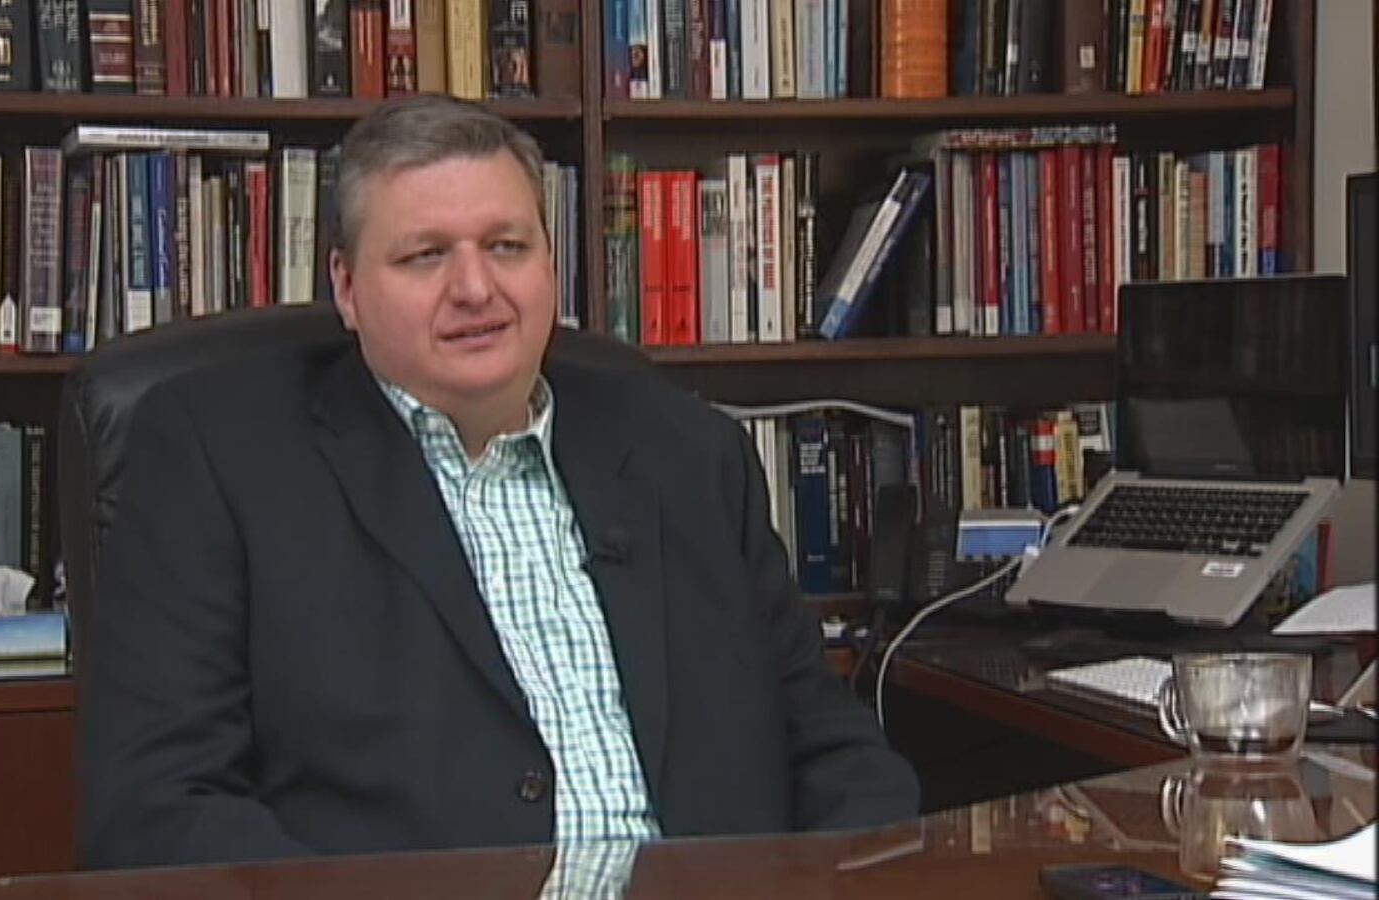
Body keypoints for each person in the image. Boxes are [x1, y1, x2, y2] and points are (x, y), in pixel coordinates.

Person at [77, 95, 918, 870]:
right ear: (347, 287)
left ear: (551, 265)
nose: (475, 289)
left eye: (507, 247)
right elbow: (158, 808)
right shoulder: (217, 457)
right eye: (425, 256)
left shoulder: (689, 453)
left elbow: (832, 749)